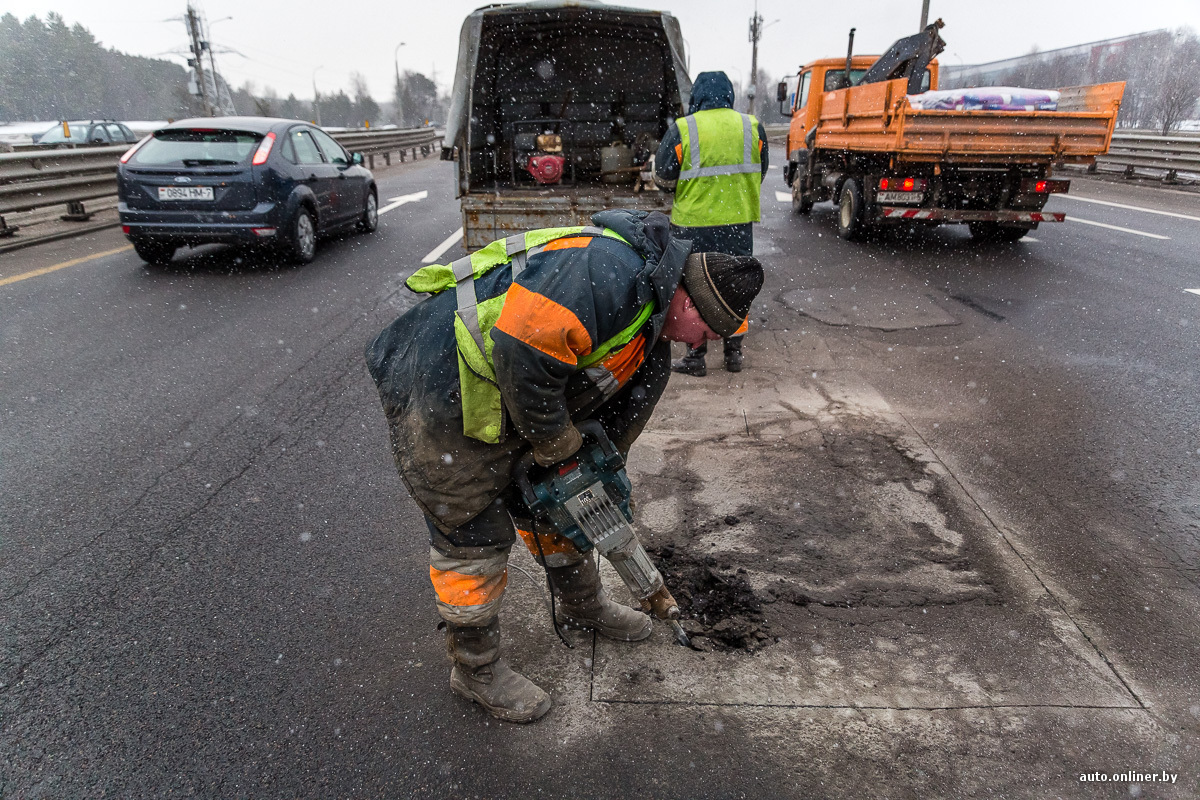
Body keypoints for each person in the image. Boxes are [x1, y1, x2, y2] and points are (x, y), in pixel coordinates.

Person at [366, 209, 763, 723]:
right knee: (474, 537)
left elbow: (613, 426)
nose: (699, 343)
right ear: (687, 300)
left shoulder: (652, 338)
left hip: (511, 398)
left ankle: (582, 606)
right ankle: (475, 669)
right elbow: (519, 350)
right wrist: (557, 445)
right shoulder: (609, 271)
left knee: (563, 505)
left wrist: (589, 482)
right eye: (705, 330)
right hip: (441, 389)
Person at [655, 70, 769, 377]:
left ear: (696, 98)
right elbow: (760, 170)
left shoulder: (684, 128)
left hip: (693, 225)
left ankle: (696, 356)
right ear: (730, 96)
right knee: (736, 284)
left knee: (694, 288)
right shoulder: (751, 126)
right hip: (737, 223)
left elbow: (663, 178)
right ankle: (734, 353)